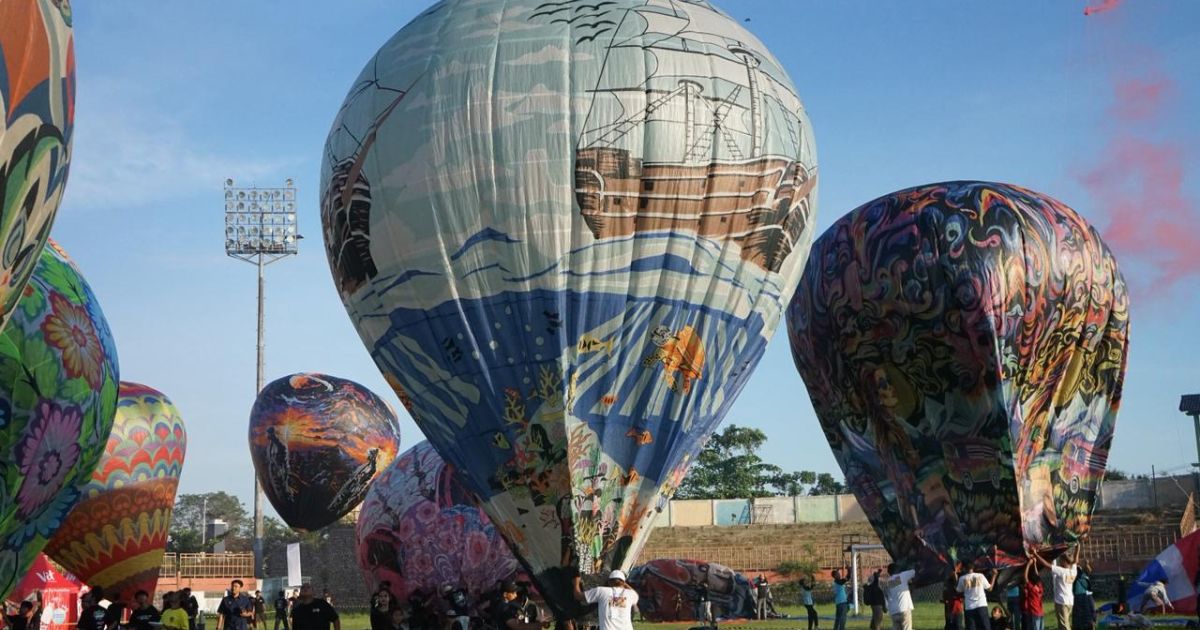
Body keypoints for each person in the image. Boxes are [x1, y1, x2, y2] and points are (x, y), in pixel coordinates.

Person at [573, 572, 637, 630]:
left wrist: (576, 583)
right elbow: (635, 594)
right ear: (623, 582)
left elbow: (578, 596)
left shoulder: (601, 591)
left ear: (609, 582)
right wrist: (624, 584)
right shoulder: (630, 594)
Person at [1033, 548, 1078, 630]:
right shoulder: (1073, 571)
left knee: (1064, 625)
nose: (1060, 562)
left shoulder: (1062, 571)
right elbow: (1075, 561)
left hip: (1062, 602)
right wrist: (1078, 547)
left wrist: (1035, 555)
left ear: (1064, 562)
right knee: (1063, 624)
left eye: (1061, 560)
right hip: (1069, 602)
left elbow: (1047, 565)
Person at [956, 560, 995, 630]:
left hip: (969, 607)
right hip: (981, 605)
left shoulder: (962, 579)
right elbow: (990, 588)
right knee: (985, 627)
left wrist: (955, 577)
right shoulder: (980, 576)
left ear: (964, 568)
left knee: (972, 627)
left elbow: (958, 591)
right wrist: (994, 575)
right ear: (973, 567)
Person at [885, 563, 916, 630]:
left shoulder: (889, 582)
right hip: (904, 609)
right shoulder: (902, 576)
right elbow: (914, 572)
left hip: (894, 611)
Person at [1071, 561, 1095, 630]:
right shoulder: (1086, 577)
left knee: (1078, 620)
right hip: (1087, 597)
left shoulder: (1077, 574)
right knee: (1087, 619)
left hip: (1078, 598)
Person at [1022, 561, 1045, 630]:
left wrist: (1028, 564)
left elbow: (1025, 577)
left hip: (1034, 612)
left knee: (1035, 627)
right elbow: (1037, 575)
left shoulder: (1032, 588)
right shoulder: (1040, 587)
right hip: (1040, 612)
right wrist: (1035, 564)